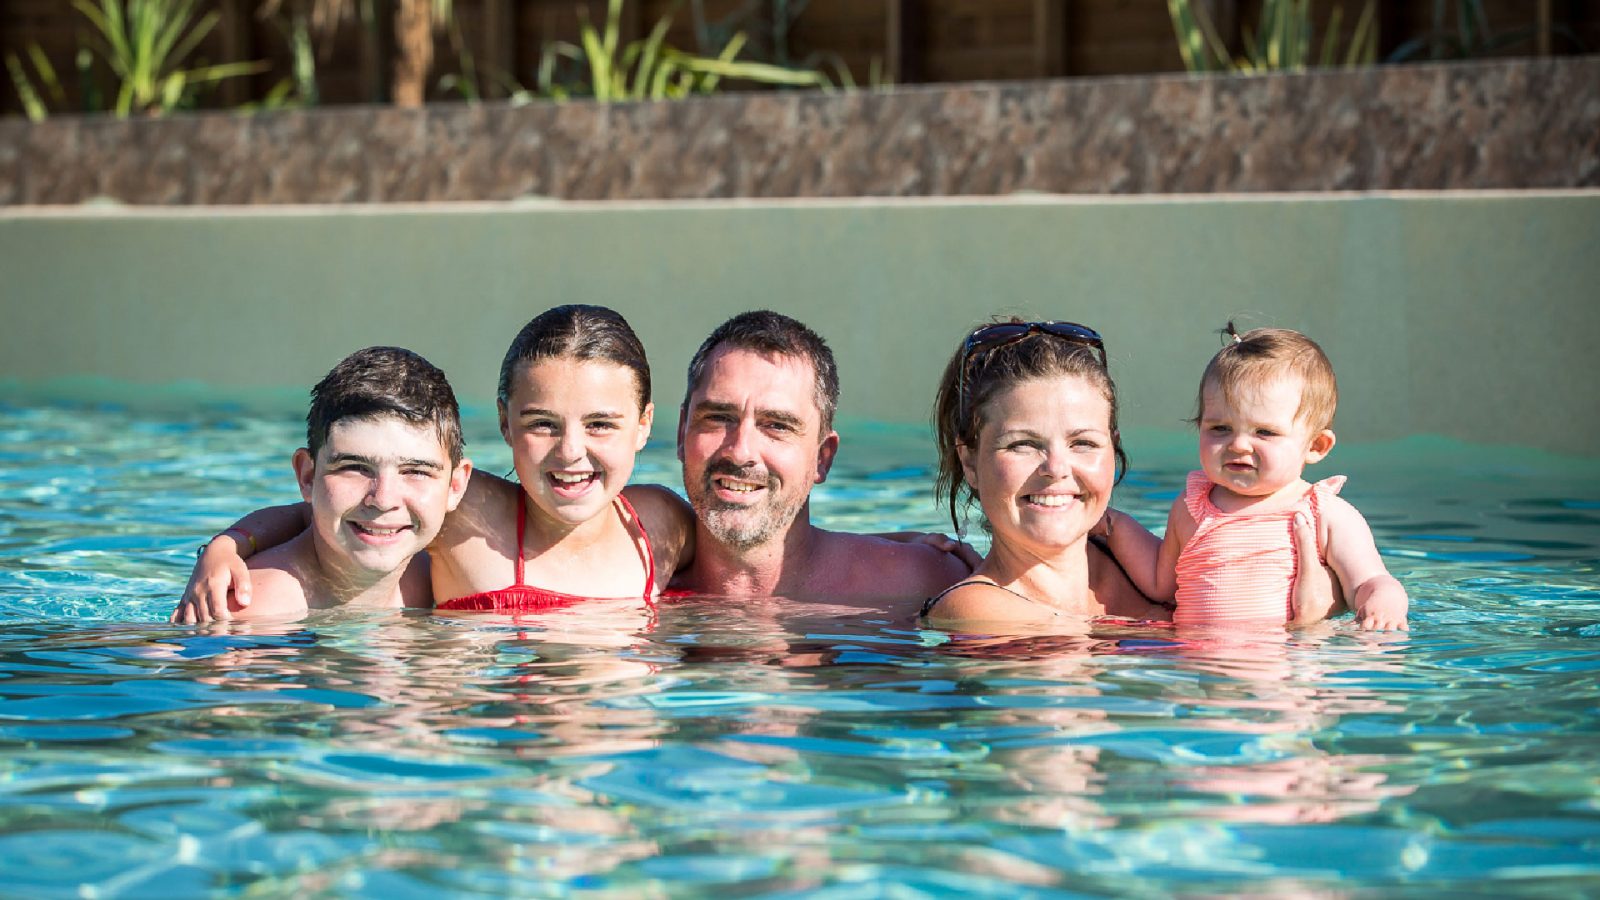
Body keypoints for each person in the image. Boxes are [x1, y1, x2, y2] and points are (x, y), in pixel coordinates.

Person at [173, 305, 693, 622]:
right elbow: (321, 511)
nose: (571, 451)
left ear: (644, 424)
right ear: (505, 424)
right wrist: (226, 547)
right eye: (542, 424)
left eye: (600, 424)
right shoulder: (466, 508)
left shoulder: (657, 522)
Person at [1103, 325, 1410, 631]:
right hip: (1198, 661)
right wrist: (1113, 525)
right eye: (1220, 428)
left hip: (1287, 667)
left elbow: (1369, 581)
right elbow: (1160, 584)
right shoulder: (1190, 507)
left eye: (1265, 432)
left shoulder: (1323, 513)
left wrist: (1384, 605)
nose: (1238, 445)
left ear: (1316, 446)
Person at [668, 310, 972, 603]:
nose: (740, 451)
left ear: (822, 457)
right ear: (683, 432)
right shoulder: (631, 580)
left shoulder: (920, 582)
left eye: (776, 425)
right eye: (718, 417)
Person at [185, 346, 471, 621]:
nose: (384, 499)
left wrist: (229, 542)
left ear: (455, 486)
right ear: (307, 476)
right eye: (355, 468)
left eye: (416, 472)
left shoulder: (439, 571)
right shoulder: (251, 613)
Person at [919, 320, 1175, 626]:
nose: (1056, 468)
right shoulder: (975, 609)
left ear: (1113, 450)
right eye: (1023, 444)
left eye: (1083, 443)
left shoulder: (1147, 571)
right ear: (970, 463)